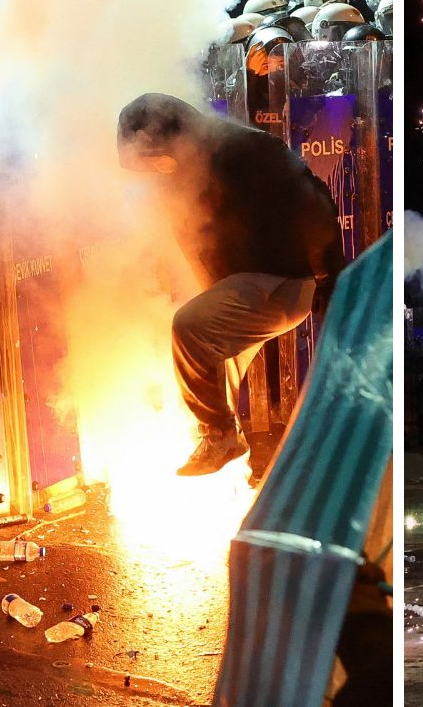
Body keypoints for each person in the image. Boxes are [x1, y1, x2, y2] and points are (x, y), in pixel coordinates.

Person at [116, 93, 344, 476]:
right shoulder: (182, 174)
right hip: (251, 283)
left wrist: (328, 275)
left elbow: (313, 205)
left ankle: (220, 434)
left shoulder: (246, 151)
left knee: (190, 328)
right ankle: (234, 448)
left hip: (282, 279)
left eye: (156, 157)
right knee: (208, 361)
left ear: (176, 135)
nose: (154, 169)